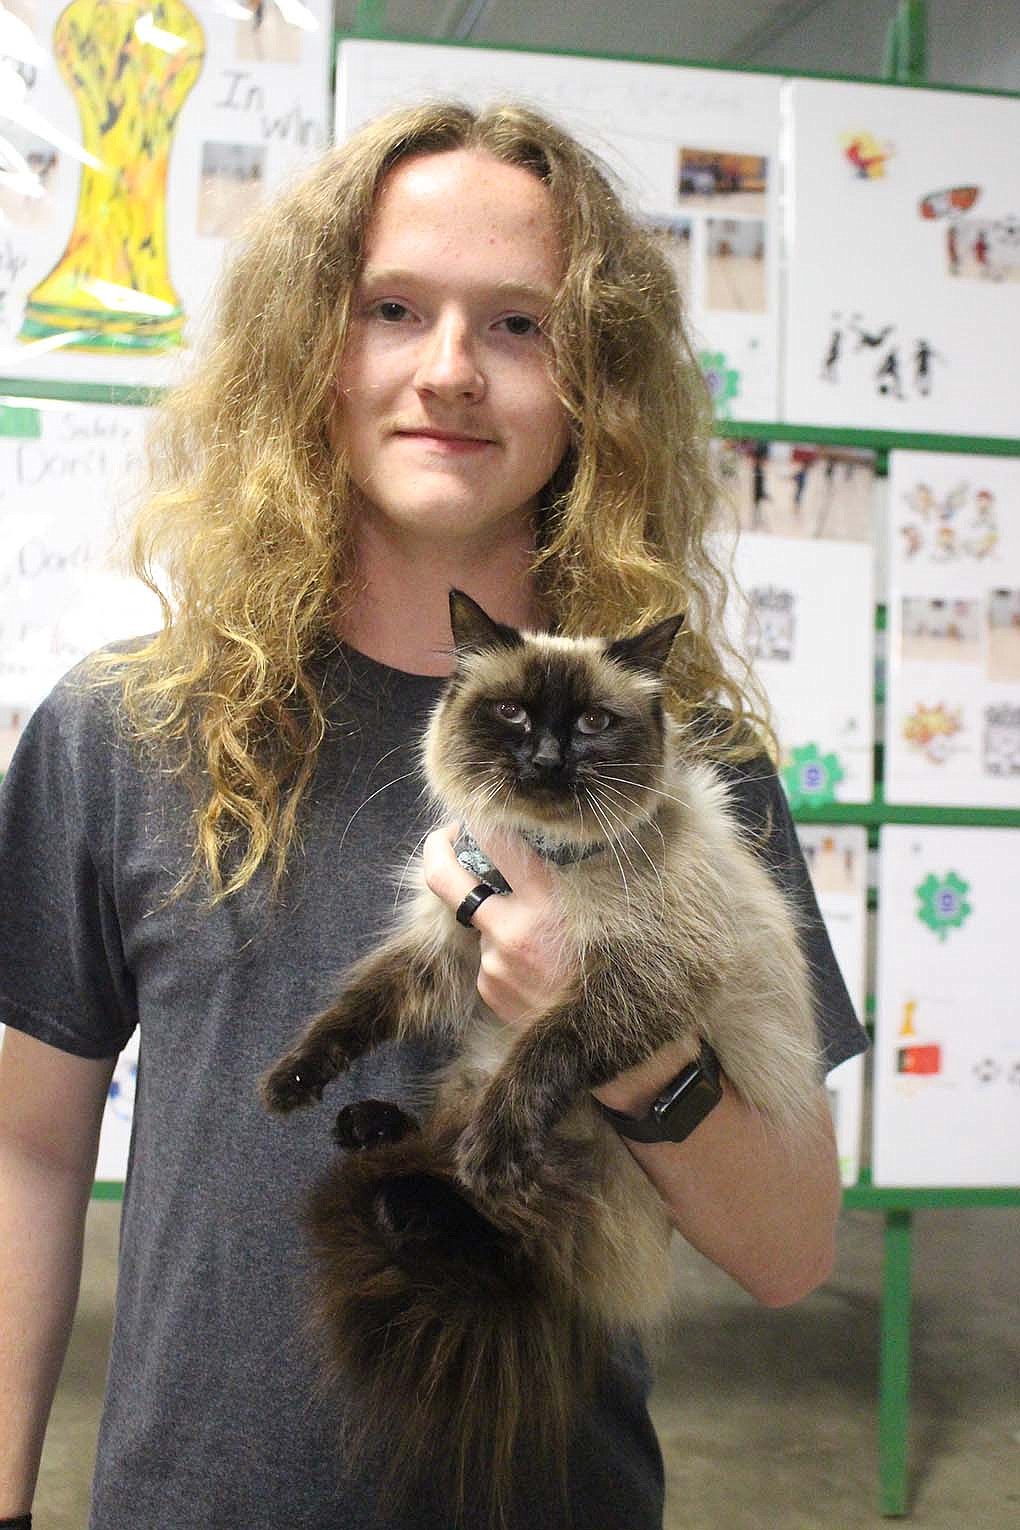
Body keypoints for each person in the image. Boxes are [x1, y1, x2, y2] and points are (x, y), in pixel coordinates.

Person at [0, 102, 867, 1530]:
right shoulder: (129, 728)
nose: (451, 371)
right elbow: (30, 1148)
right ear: (310, 350)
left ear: (597, 385)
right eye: (393, 308)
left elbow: (788, 1247)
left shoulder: (682, 769)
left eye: (519, 326)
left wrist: (620, 1031)